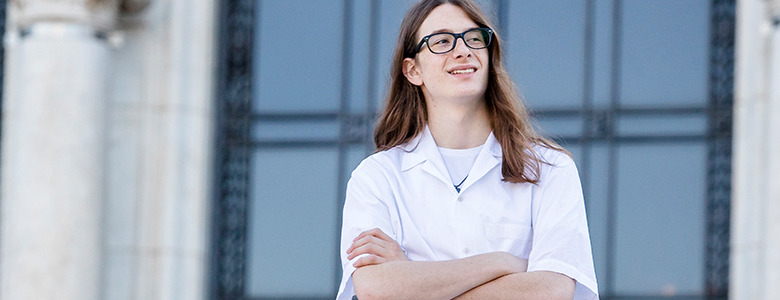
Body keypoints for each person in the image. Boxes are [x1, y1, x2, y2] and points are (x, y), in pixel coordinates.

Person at [336, 0, 598, 299]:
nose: (463, 50)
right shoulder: (376, 178)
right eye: (442, 41)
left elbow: (552, 290)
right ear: (412, 71)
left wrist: (414, 281)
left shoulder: (549, 168)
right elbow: (375, 289)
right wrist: (504, 263)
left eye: (474, 38)